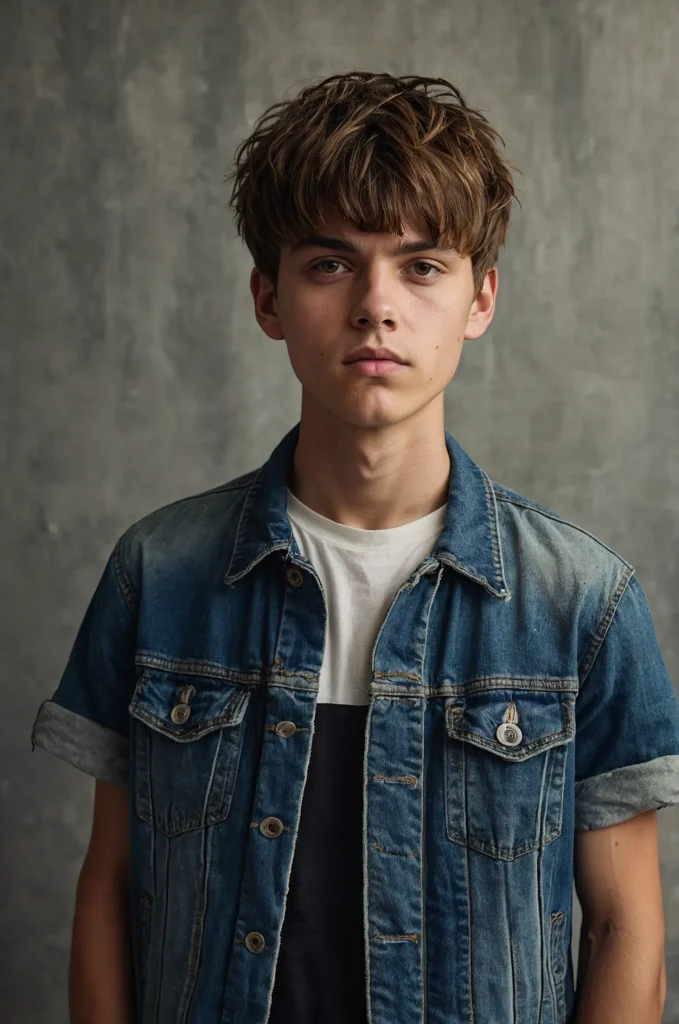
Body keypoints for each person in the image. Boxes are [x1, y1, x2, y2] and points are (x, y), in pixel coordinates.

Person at [31, 71, 679, 1024]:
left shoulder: (580, 599)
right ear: (267, 296)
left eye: (421, 266)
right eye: (330, 264)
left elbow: (627, 928)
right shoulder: (159, 574)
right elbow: (110, 888)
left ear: (480, 298)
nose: (376, 305)